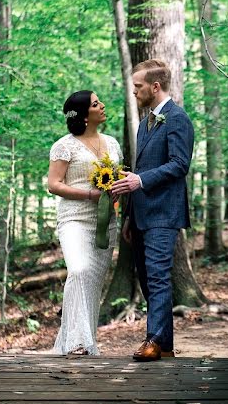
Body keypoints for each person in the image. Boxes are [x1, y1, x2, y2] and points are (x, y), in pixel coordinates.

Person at [110, 59, 195, 362]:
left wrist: (140, 180)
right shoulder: (147, 123)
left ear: (155, 87)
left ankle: (153, 341)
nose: (134, 92)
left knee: (158, 277)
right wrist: (130, 216)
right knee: (147, 279)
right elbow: (139, 171)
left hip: (164, 213)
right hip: (142, 215)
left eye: (138, 86)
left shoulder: (177, 119)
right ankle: (167, 345)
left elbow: (179, 164)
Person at [47, 90, 122, 355]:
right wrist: (90, 194)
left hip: (106, 221)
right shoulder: (64, 145)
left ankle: (85, 343)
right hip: (75, 218)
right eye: (95, 103)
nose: (102, 105)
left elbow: (117, 178)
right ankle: (77, 343)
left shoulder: (112, 144)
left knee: (92, 281)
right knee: (78, 270)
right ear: (83, 115)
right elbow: (53, 185)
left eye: (100, 101)